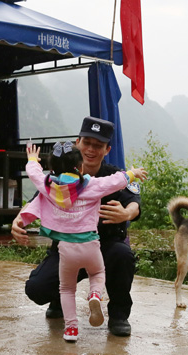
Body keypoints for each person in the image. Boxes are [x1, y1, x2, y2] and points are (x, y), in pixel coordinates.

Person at [11, 116, 142, 337]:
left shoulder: (112, 175)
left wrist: (126, 213)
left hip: (106, 247)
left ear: (107, 150)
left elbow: (134, 201)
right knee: (36, 289)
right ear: (77, 143)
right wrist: (18, 220)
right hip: (66, 248)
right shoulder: (57, 176)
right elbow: (38, 200)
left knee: (122, 255)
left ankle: (119, 316)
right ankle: (59, 301)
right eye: (86, 143)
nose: (91, 149)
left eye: (98, 145)